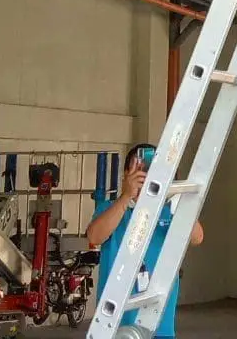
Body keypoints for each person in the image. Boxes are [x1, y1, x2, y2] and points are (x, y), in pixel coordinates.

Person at [87, 143, 204, 338]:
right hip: (113, 324)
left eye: (152, 169)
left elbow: (197, 237)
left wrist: (173, 196)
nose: (146, 175)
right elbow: (95, 236)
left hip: (159, 321)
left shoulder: (171, 210)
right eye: (139, 169)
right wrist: (126, 197)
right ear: (126, 174)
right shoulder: (111, 208)